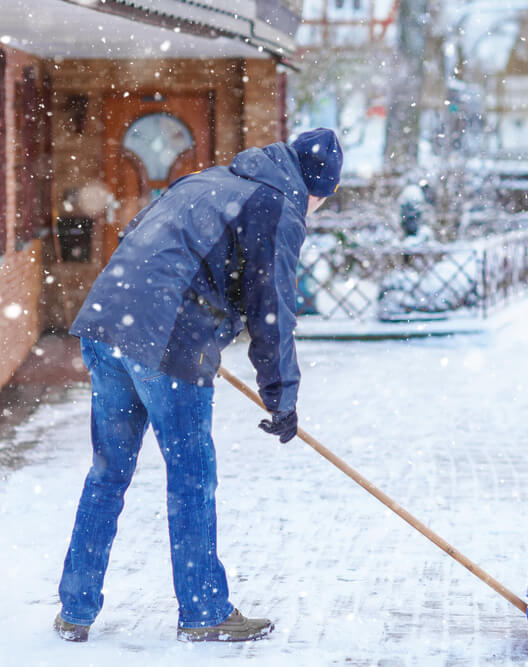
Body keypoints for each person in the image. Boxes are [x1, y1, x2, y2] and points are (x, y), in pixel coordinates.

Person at [53, 128, 343, 643]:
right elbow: (272, 309)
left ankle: (75, 609)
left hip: (106, 323)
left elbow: (144, 240)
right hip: (165, 341)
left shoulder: (212, 179)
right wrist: (282, 396)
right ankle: (204, 611)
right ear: (319, 188)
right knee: (191, 479)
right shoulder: (280, 206)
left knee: (107, 473)